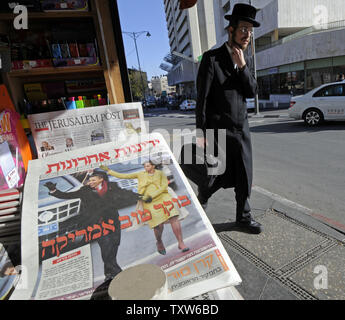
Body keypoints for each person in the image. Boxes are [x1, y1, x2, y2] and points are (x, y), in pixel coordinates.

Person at [195, 3, 262, 234]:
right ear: (231, 30)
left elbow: (251, 91)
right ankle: (200, 202)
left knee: (244, 174)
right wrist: (201, 133)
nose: (247, 35)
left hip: (241, 131)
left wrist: (243, 66)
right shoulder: (212, 59)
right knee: (213, 177)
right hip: (218, 131)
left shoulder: (245, 59)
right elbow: (201, 100)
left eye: (250, 31)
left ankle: (243, 218)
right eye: (243, 29)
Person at [44, 170, 136, 283]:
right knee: (106, 249)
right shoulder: (84, 191)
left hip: (113, 223)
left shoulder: (112, 187)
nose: (90, 182)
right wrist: (53, 190)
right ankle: (120, 276)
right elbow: (67, 195)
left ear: (101, 179)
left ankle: (108, 274)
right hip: (97, 225)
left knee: (113, 250)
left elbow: (125, 193)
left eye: (93, 180)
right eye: (89, 180)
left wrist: (140, 196)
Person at [100, 161, 189, 255]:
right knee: (158, 225)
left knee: (174, 217)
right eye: (144, 166)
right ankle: (159, 241)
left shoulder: (160, 173)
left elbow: (164, 186)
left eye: (148, 165)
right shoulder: (140, 174)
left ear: (153, 166)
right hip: (148, 200)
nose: (145, 167)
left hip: (163, 196)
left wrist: (153, 195)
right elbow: (123, 176)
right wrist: (109, 171)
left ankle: (181, 242)